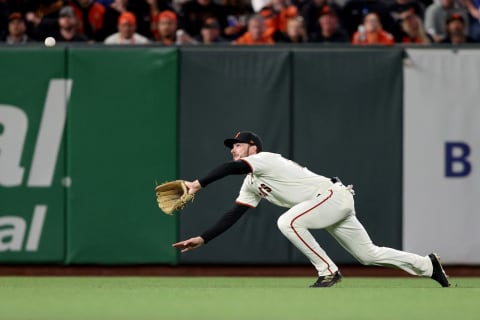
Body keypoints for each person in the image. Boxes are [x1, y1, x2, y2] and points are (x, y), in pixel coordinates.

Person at [173, 131, 451, 288]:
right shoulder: (251, 184)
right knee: (369, 255)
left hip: (330, 196)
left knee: (288, 222)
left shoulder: (265, 159)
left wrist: (197, 184)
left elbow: (228, 169)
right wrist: (203, 238)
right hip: (327, 202)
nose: (233, 150)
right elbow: (234, 214)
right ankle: (428, 265)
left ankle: (328, 270)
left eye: (238, 145)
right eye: (231, 147)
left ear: (252, 147)